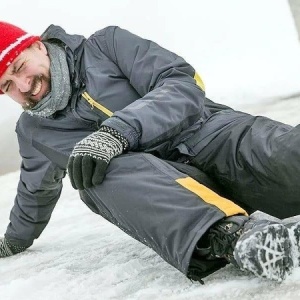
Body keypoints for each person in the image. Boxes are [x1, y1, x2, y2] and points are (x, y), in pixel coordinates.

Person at [0, 20, 299, 284]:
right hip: (169, 198)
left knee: (286, 156)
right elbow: (35, 191)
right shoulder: (33, 131)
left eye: (19, 67)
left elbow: (182, 83)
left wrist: (118, 131)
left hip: (216, 138)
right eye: (8, 85)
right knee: (91, 174)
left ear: (38, 47)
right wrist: (13, 241)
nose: (25, 86)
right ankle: (237, 239)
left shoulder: (106, 46)